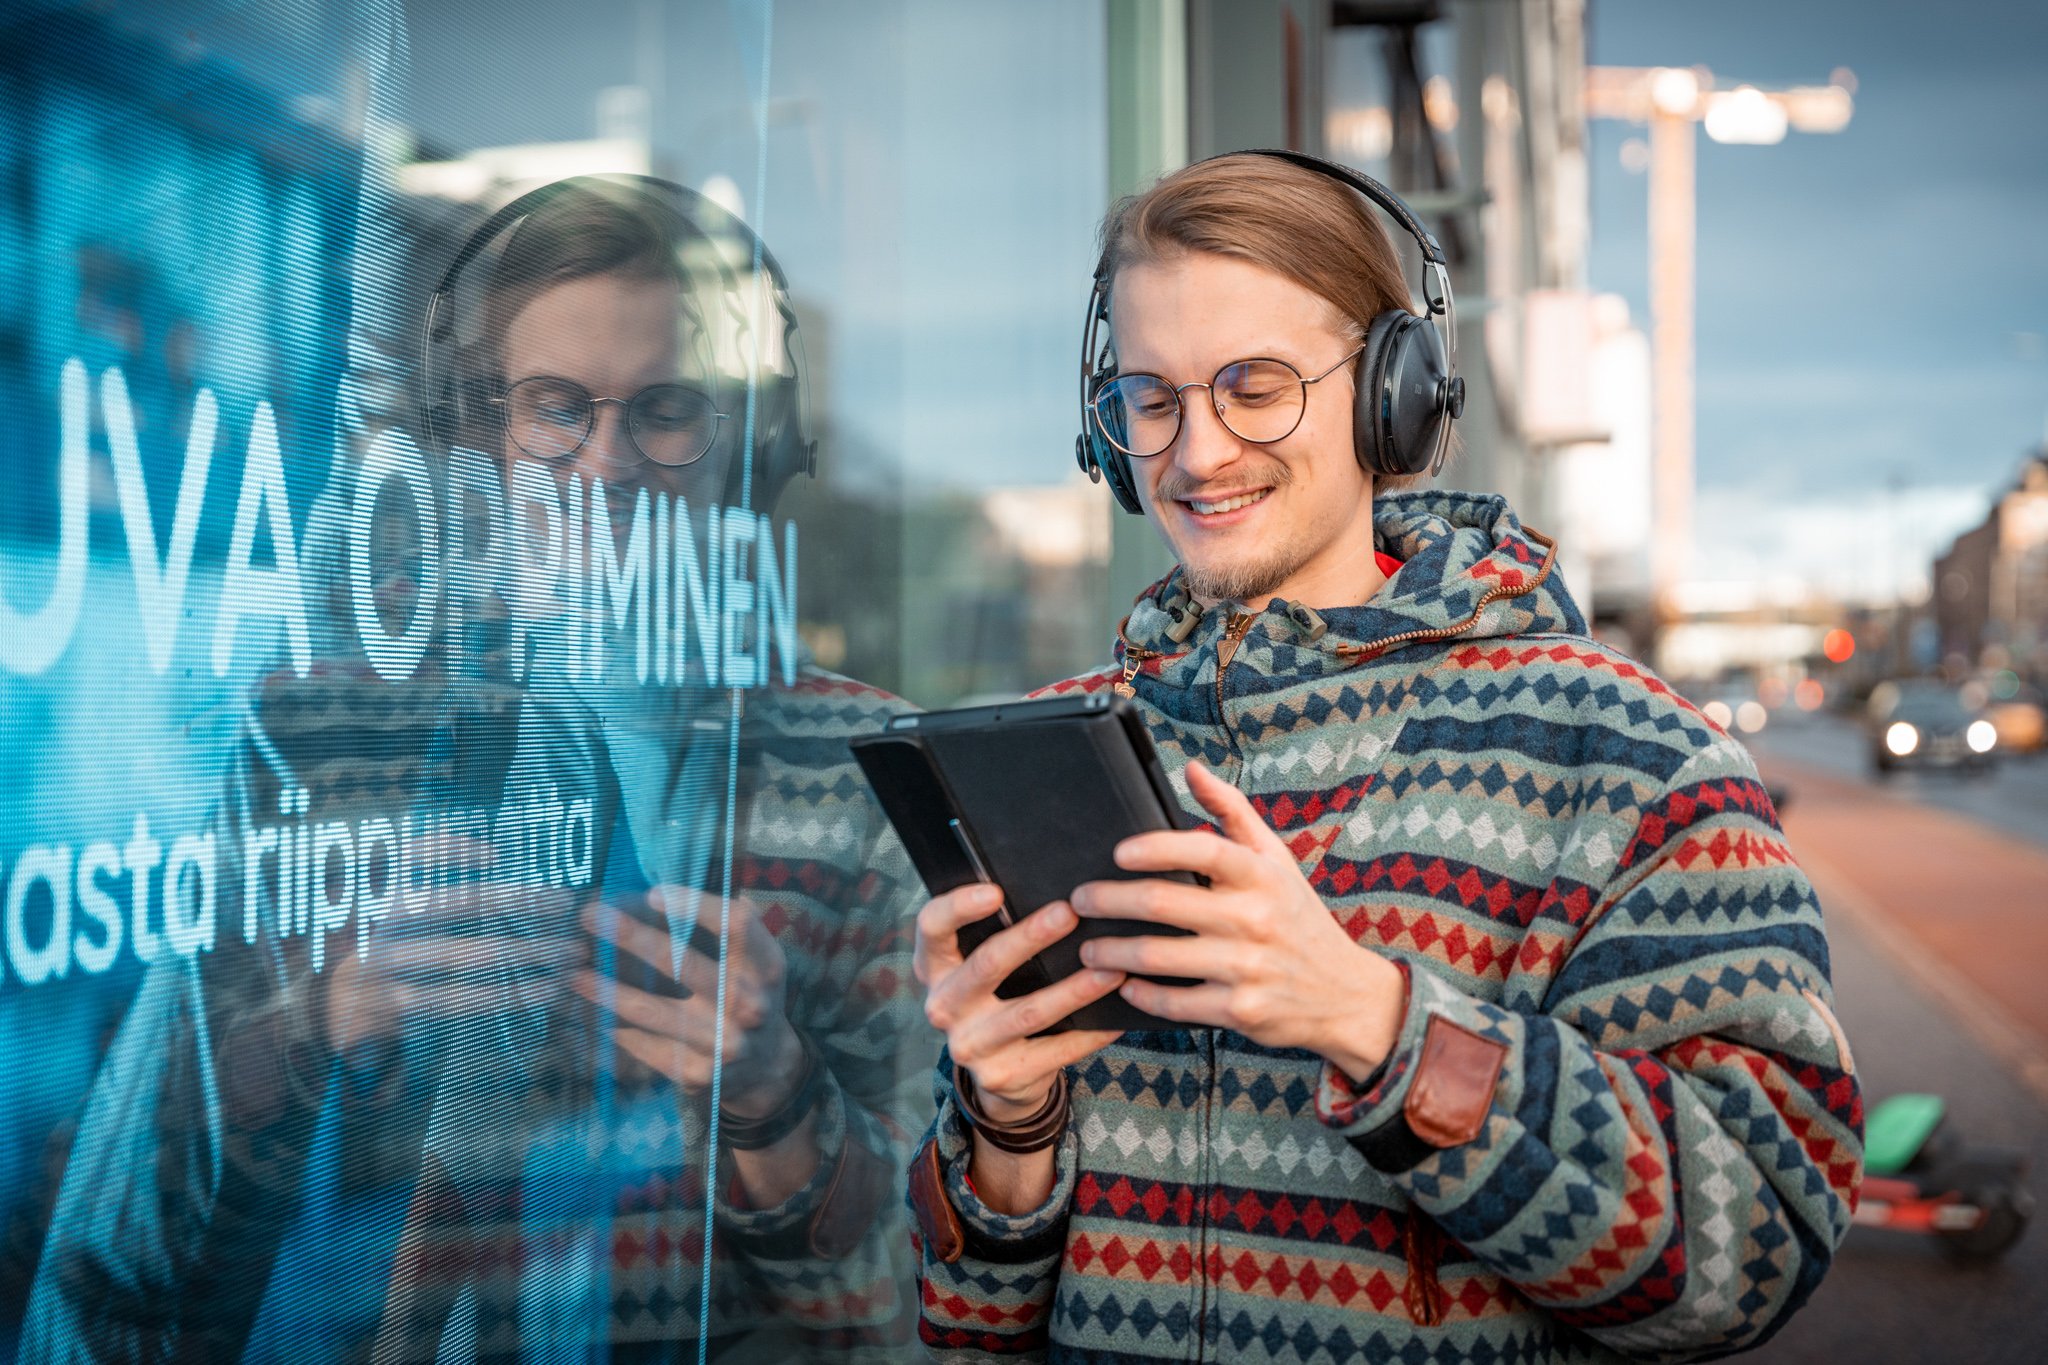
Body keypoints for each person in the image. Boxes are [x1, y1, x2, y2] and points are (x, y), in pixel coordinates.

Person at [908, 151, 1861, 1363]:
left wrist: (1369, 1019)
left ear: (1392, 395)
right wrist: (1008, 1118)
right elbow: (963, 1324)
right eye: (1150, 398)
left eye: (1253, 388)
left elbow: (1753, 1252)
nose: (1194, 455)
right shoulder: (1054, 749)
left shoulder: (1627, 758)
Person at [23, 176, 932, 1363]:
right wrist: (311, 1026)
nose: (604, 465)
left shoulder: (866, 774)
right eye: (555, 409)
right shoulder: (337, 726)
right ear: (475, 443)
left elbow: (925, 1306)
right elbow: (114, 1255)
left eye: (664, 409)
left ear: (747, 450)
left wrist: (773, 1096)